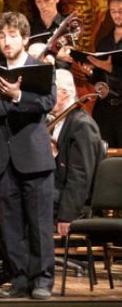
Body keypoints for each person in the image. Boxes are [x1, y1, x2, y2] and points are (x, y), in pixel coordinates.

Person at [0, 13, 57, 299]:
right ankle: (19, 279)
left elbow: (47, 102)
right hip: (3, 157)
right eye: (3, 36)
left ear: (25, 39)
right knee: (12, 222)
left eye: (13, 36)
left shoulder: (38, 68)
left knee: (39, 223)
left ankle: (42, 280)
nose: (7, 41)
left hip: (33, 156)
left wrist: (17, 96)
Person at [50, 69, 105, 237]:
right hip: (56, 193)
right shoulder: (56, 120)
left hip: (73, 204)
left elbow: (80, 175)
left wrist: (66, 215)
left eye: (48, 92)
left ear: (64, 93)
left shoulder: (81, 124)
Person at [82, 0, 122, 147]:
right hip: (104, 109)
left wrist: (111, 68)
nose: (117, 16)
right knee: (103, 155)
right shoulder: (104, 41)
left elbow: (110, 70)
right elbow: (99, 77)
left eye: (120, 11)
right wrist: (90, 73)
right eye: (113, 11)